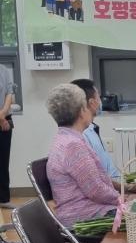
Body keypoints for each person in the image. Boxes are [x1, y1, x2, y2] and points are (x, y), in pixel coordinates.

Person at [46, 84, 119, 228]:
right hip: (84, 217)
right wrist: (122, 199)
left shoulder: (64, 138)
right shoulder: (73, 145)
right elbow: (96, 190)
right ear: (81, 112)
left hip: (83, 212)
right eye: (86, 107)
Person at [70, 79, 120, 185]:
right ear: (92, 103)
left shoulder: (91, 128)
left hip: (114, 183)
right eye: (98, 97)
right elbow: (95, 181)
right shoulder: (82, 135)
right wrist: (127, 188)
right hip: (110, 187)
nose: (100, 102)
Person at [0, 64, 15, 204]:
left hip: (5, 120)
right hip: (2, 120)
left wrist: (3, 114)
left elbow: (9, 94)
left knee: (3, 161)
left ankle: (3, 199)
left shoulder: (4, 70)